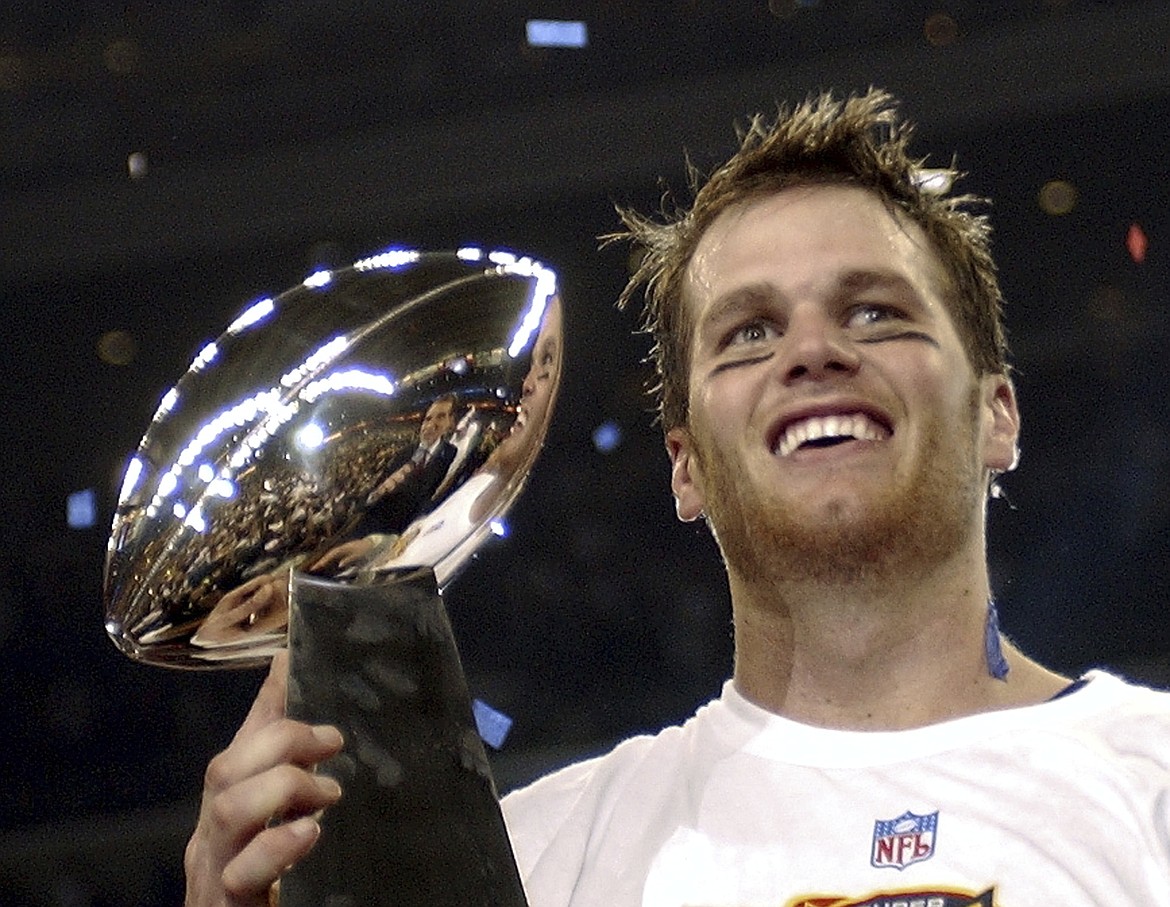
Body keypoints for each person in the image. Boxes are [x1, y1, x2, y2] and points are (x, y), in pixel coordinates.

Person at [184, 89, 1170, 906]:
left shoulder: (1151, 780)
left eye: (876, 312)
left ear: (998, 413)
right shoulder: (527, 866)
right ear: (685, 464)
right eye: (748, 333)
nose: (813, 353)